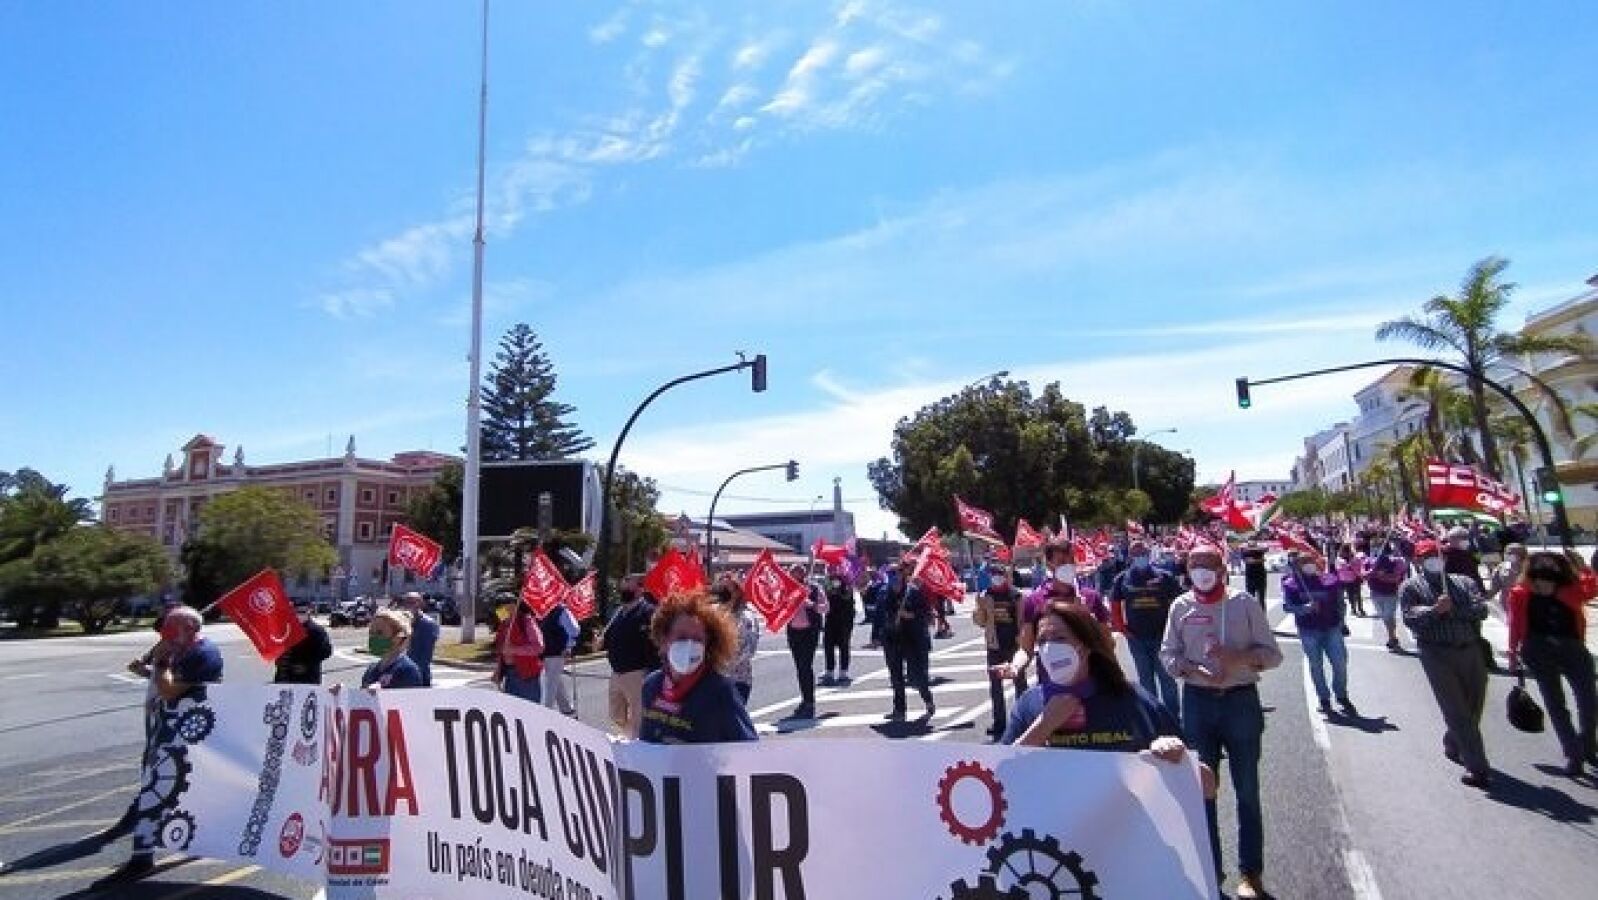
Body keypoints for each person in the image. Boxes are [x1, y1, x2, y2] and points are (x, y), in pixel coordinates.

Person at [1001, 601, 1217, 805]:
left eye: (1059, 638)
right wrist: (1042, 728)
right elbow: (997, 780)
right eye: (1042, 641)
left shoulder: (1132, 699)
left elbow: (1208, 787)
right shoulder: (1029, 705)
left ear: (1085, 646)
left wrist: (1177, 757)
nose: (1049, 648)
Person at [1160, 543, 1283, 900]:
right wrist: (1192, 669)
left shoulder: (1244, 604)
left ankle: (1250, 873)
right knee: (1201, 790)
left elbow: (1273, 655)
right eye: (1194, 564)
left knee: (1247, 790)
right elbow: (1168, 654)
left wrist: (1238, 658)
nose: (1201, 570)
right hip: (1198, 703)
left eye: (1208, 563)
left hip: (1240, 702)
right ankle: (1209, 871)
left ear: (1223, 568)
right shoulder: (1180, 606)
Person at [97, 606, 224, 886]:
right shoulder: (182, 649)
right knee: (168, 789)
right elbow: (166, 682)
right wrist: (149, 668)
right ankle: (164, 838)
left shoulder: (204, 654)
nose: (165, 634)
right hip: (167, 730)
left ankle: (141, 857)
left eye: (171, 628)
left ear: (191, 629)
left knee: (155, 791)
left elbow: (168, 690)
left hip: (182, 736)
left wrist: (161, 662)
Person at [1401, 539, 1493, 788]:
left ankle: (1454, 740)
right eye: (1427, 556)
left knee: (1474, 704)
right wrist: (1434, 610)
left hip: (1469, 649)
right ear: (1418, 561)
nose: (1434, 560)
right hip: (1436, 653)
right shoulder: (1410, 587)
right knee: (1456, 709)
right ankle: (1477, 766)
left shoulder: (1464, 582)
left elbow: (1481, 609)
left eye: (1437, 555)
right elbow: (1410, 617)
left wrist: (1453, 611)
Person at [1506, 550, 1598, 776]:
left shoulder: (1570, 589)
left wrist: (1583, 567)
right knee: (1555, 703)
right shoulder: (1520, 592)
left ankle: (1588, 746)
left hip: (1572, 648)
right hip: (1538, 649)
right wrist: (1512, 654)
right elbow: (1515, 624)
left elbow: (1592, 587)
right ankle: (1573, 753)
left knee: (1588, 701)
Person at [638, 590, 758, 744]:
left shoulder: (719, 691)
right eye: (681, 637)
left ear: (708, 645)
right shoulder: (651, 685)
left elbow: (749, 747)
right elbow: (645, 741)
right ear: (664, 639)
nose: (689, 645)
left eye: (697, 639)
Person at [1109, 539, 1183, 721]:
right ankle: (1153, 718)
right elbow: (1115, 606)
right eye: (1136, 554)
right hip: (1136, 638)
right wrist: (1122, 629)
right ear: (1130, 557)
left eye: (1143, 553)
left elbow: (1179, 603)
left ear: (1149, 555)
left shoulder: (1164, 577)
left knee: (1167, 679)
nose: (1140, 557)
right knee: (1145, 680)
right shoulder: (1122, 579)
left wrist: (1175, 629)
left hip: (1162, 637)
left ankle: (1173, 718)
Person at [1283, 551, 1357, 716]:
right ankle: (1323, 698)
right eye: (1304, 562)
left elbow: (1340, 602)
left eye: (1311, 561)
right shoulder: (1291, 584)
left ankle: (1341, 694)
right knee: (1316, 665)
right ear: (1298, 566)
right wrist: (1305, 608)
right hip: (1308, 630)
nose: (1309, 565)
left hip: (1331, 628)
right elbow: (1287, 606)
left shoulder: (1329, 580)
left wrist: (1342, 622)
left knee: (1340, 663)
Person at [973, 564, 1027, 739]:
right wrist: (979, 607)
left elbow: (1023, 619)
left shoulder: (1016, 595)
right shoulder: (985, 595)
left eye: (1000, 574)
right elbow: (980, 622)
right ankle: (999, 723)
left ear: (1006, 576)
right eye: (994, 574)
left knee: (1020, 684)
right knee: (995, 686)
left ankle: (1022, 720)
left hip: (1014, 644)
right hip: (994, 645)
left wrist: (1023, 639)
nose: (997, 577)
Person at [602, 575, 659, 739]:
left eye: (629, 586)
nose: (624, 589)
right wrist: (601, 642)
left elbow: (654, 643)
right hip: (617, 672)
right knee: (615, 714)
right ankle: (629, 735)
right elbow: (610, 638)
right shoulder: (618, 613)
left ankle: (635, 744)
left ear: (640, 589)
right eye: (623, 585)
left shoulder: (648, 612)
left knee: (637, 715)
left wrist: (651, 673)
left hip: (637, 672)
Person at [882, 558, 936, 721]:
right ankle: (899, 710)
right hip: (892, 639)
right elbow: (878, 615)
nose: (894, 576)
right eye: (890, 574)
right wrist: (876, 637)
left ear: (903, 574)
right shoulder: (884, 593)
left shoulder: (913, 592)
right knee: (896, 676)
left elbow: (926, 613)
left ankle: (928, 701)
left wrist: (910, 615)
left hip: (911, 639)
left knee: (917, 675)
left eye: (896, 573)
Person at [785, 564, 828, 719]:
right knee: (799, 668)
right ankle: (805, 699)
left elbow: (825, 608)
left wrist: (811, 604)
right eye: (792, 573)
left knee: (805, 666)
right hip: (793, 631)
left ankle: (810, 702)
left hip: (809, 632)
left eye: (797, 573)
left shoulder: (814, 589)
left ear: (803, 574)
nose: (794, 576)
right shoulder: (787, 590)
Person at [712, 577, 761, 704]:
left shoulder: (746, 616)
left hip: (737, 679)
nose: (724, 594)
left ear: (737, 592)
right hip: (714, 680)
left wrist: (723, 664)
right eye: (722, 589)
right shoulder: (715, 614)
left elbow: (748, 649)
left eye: (728, 590)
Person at [492, 602, 545, 703]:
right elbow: (501, 651)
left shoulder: (526, 622)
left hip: (527, 676)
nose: (501, 612)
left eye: (504, 607)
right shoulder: (503, 625)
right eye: (499, 609)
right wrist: (498, 671)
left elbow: (538, 647)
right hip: (509, 675)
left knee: (529, 708)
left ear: (513, 606)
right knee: (512, 709)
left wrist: (514, 649)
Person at [1363, 542, 1410, 652]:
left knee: (1388, 616)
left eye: (1377, 548)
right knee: (1385, 617)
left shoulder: (1397, 561)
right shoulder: (1369, 561)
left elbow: (1396, 579)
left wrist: (1380, 576)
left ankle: (1392, 637)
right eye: (1374, 548)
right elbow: (1363, 575)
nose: (1375, 550)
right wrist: (1371, 572)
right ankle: (1392, 635)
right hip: (1375, 593)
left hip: (1390, 594)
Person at [537, 598, 580, 715]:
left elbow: (574, 630)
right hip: (545, 652)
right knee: (555, 680)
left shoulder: (561, 610)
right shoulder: (542, 610)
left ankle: (546, 713)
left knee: (550, 683)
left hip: (557, 652)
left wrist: (569, 646)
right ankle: (566, 708)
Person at [362, 609, 424, 689]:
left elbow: (410, 696)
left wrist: (382, 693)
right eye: (371, 632)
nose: (373, 637)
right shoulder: (371, 670)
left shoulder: (408, 670)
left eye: (380, 633)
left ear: (398, 637)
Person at [273, 608, 333, 684]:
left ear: (308, 612)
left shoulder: (316, 630)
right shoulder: (286, 629)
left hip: (306, 678)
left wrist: (307, 663)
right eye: (296, 612)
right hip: (283, 676)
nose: (299, 615)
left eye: (302, 612)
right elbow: (277, 648)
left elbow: (326, 651)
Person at [820, 567, 857, 686]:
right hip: (830, 617)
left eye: (834, 568)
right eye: (830, 569)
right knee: (828, 644)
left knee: (844, 645)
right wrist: (828, 589)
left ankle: (843, 672)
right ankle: (829, 671)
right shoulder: (827, 581)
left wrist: (840, 588)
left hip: (845, 619)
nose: (831, 571)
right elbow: (824, 597)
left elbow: (848, 596)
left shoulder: (846, 581)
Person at [398, 591, 440, 687]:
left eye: (413, 602)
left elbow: (425, 656)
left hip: (418, 676)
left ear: (420, 604)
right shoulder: (403, 622)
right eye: (406, 602)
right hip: (402, 673)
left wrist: (412, 673)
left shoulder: (428, 624)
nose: (409, 606)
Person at [1488, 543, 1528, 610]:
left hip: (1525, 604)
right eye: (1509, 553)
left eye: (1517, 554)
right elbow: (1494, 588)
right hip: (1508, 604)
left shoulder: (1530, 567)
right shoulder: (1501, 568)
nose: (1512, 556)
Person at [1335, 545, 1366, 618]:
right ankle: (1353, 609)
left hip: (1355, 579)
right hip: (1346, 580)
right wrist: (1346, 566)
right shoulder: (1339, 559)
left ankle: (1360, 609)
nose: (1345, 554)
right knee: (1350, 595)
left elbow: (1359, 567)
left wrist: (1351, 567)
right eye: (1344, 552)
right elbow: (1338, 569)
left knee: (1358, 595)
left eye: (1347, 552)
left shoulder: (1355, 558)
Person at [1241, 542, 1268, 607]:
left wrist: (1253, 549)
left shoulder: (1259, 548)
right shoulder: (1244, 550)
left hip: (1261, 576)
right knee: (1250, 598)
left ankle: (1262, 612)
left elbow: (1266, 549)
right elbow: (1247, 560)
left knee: (1261, 599)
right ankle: (1252, 613)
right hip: (1250, 576)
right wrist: (1259, 560)